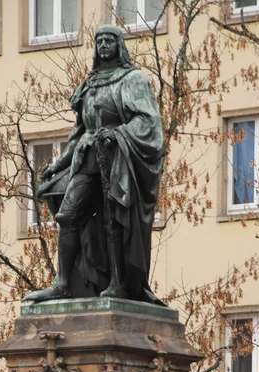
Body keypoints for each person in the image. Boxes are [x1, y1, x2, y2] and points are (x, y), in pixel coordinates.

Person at [23, 25, 164, 304]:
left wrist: (118, 133)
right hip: (87, 157)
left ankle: (118, 283)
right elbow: (78, 133)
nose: (103, 45)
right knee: (68, 215)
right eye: (99, 41)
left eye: (109, 40)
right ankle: (63, 282)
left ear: (119, 45)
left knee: (114, 221)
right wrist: (58, 164)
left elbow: (148, 121)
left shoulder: (132, 79)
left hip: (117, 159)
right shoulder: (89, 84)